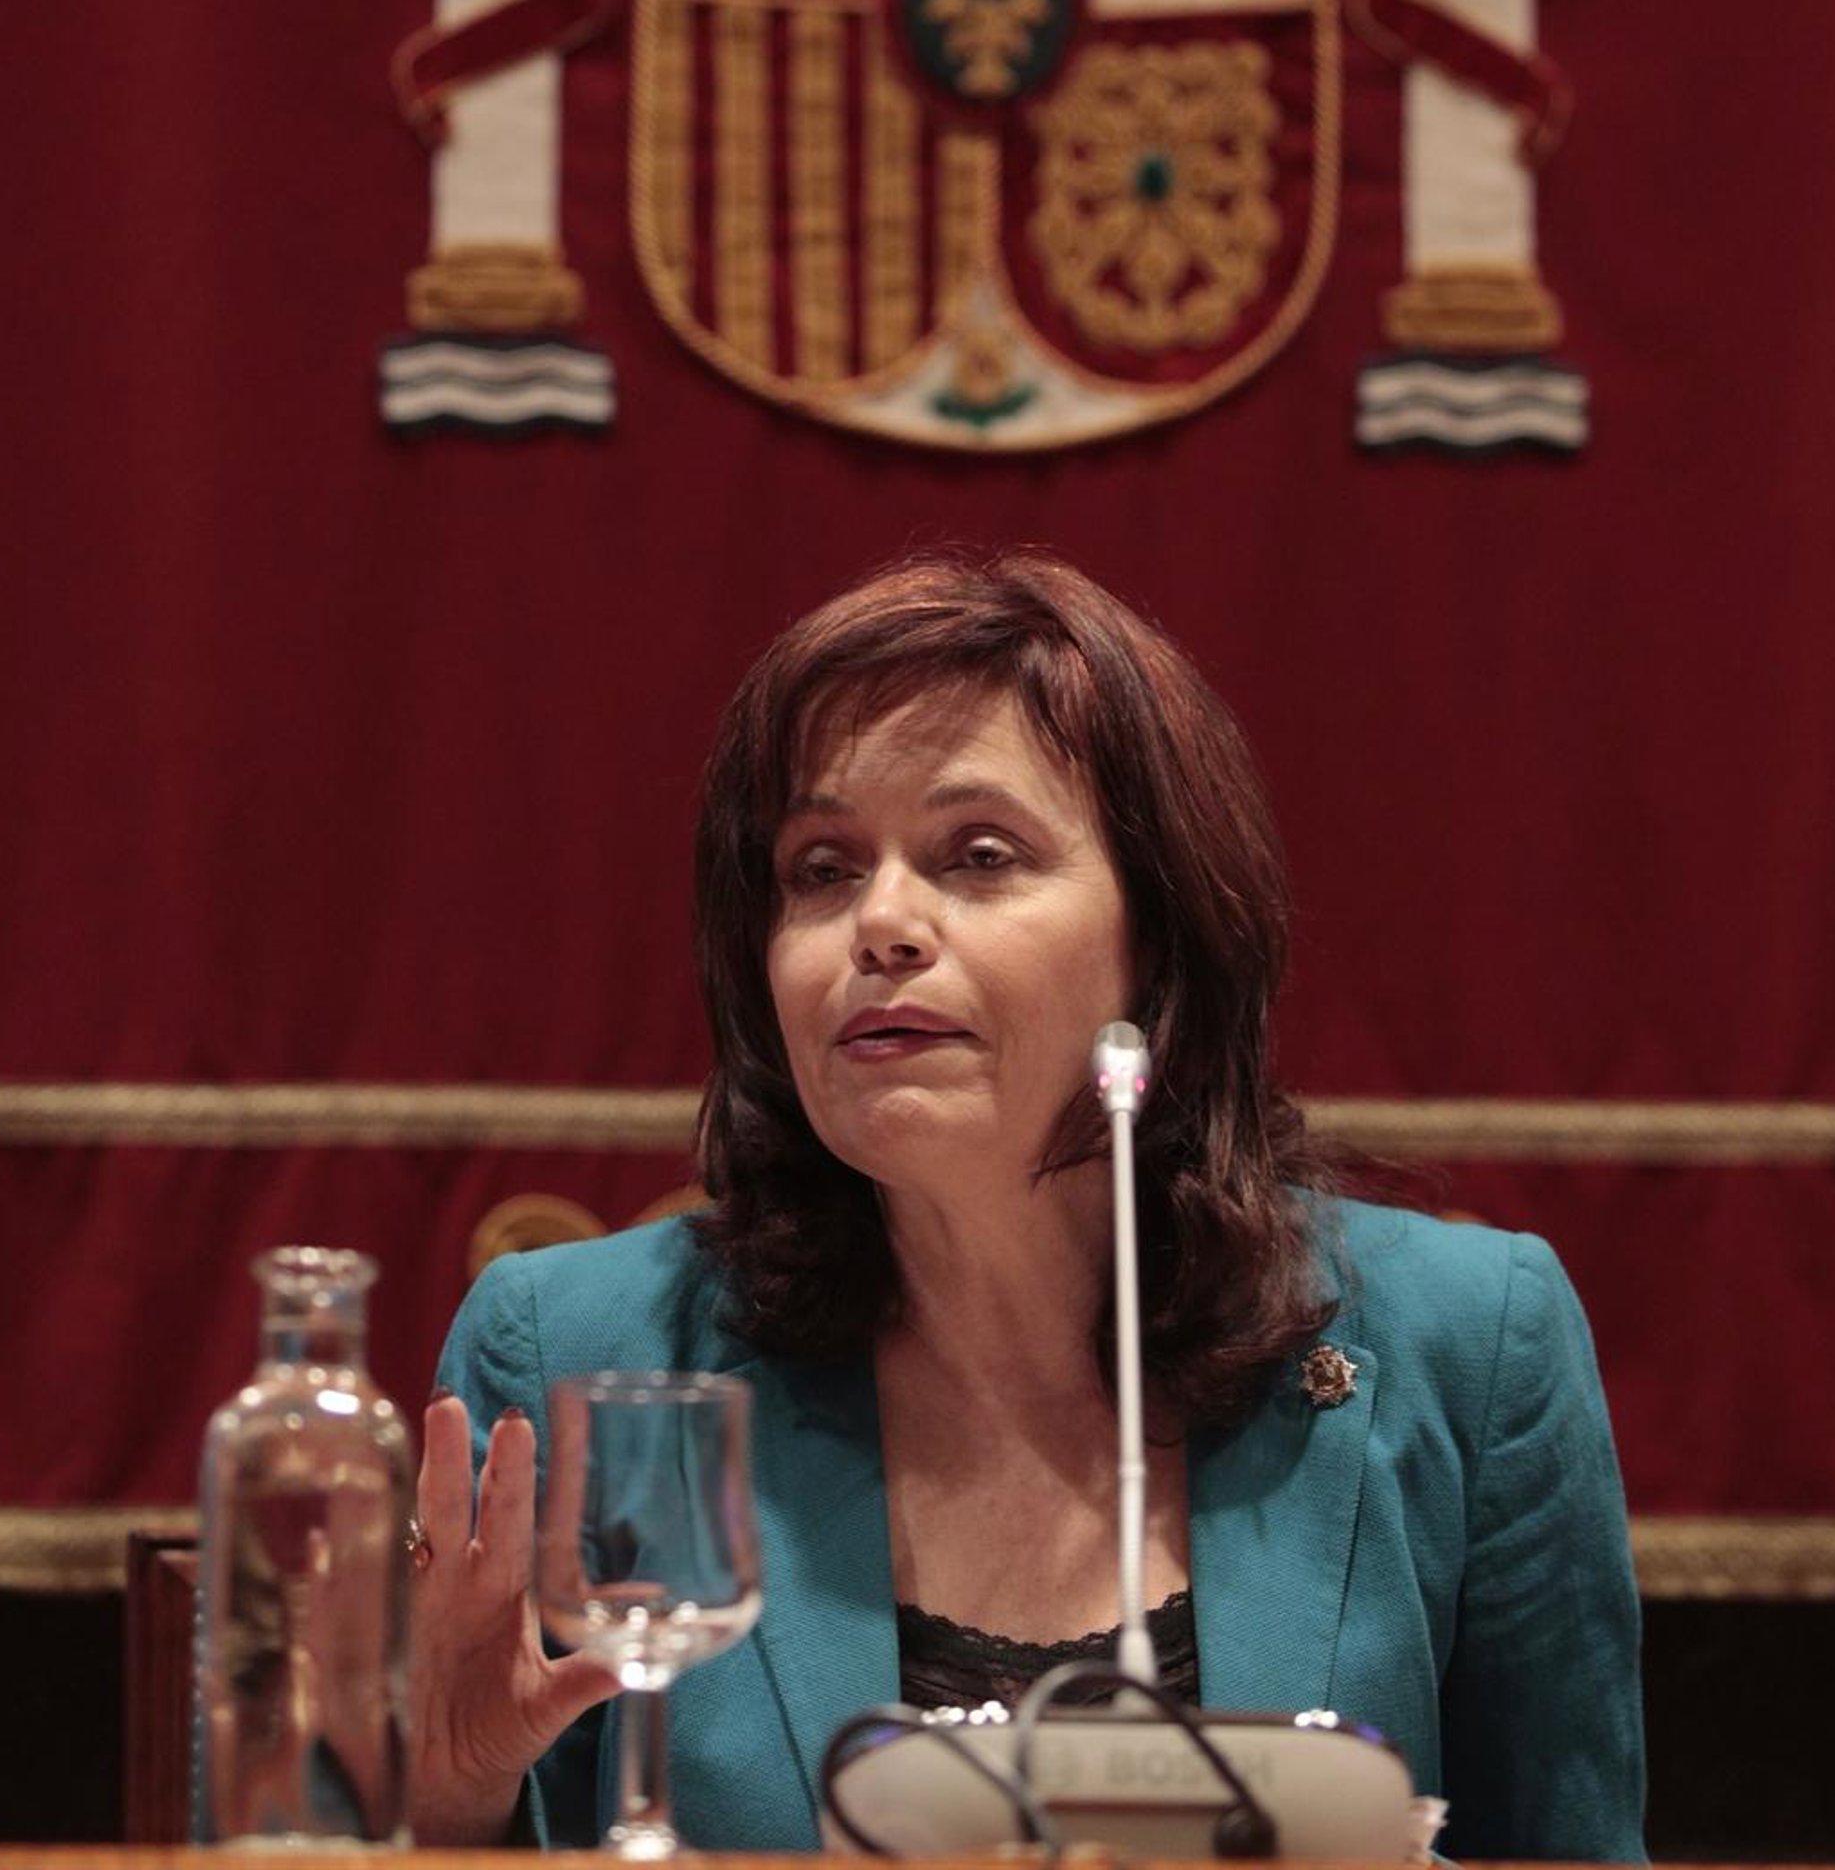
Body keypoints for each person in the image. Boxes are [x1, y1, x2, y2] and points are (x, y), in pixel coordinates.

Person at [408, 549, 1646, 1858]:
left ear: (1157, 935)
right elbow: (425, 1822)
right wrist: (442, 1803)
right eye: (821, 869)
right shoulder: (579, 1350)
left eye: (979, 854)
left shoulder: (1468, 1343)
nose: (882, 923)